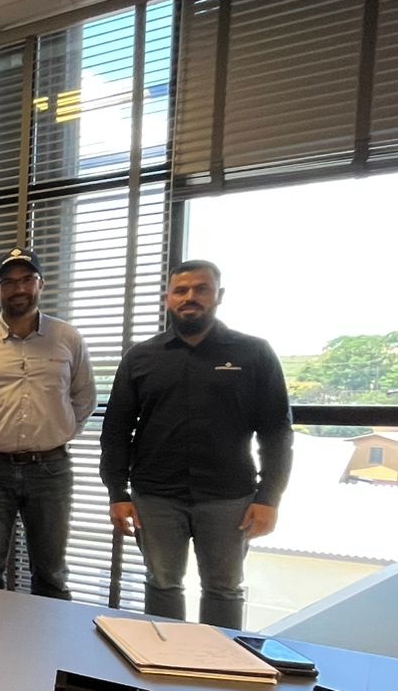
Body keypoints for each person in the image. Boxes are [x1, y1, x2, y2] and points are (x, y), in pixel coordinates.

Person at [100, 261, 292, 627]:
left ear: (219, 296)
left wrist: (269, 497)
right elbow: (116, 430)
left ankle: (219, 660)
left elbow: (276, 431)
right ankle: (164, 656)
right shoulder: (141, 357)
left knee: (224, 588)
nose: (190, 297)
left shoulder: (254, 353)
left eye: (201, 289)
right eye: (181, 290)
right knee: (162, 584)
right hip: (155, 496)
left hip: (229, 497)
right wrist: (117, 492)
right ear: (168, 299)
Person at [0, 247, 95, 599]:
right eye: (9, 282)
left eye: (27, 280)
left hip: (50, 470)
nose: (18, 289)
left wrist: (57, 432)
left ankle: (46, 636)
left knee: (51, 573)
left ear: (40, 284)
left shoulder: (68, 339)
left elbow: (84, 399)